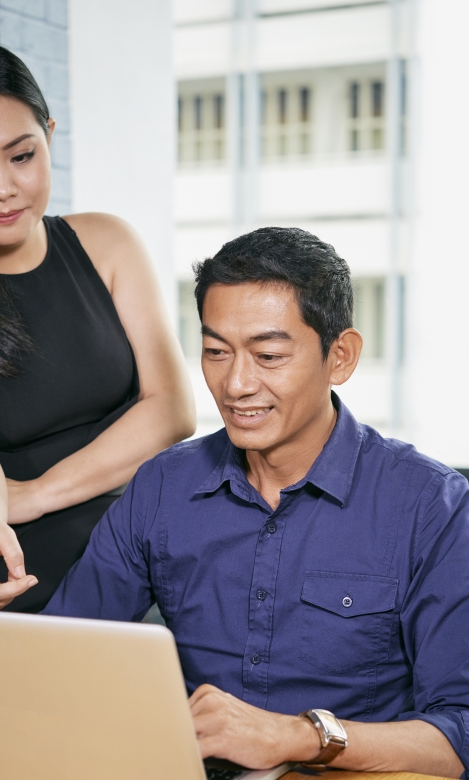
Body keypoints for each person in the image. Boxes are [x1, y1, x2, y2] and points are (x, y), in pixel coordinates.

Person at [36, 228, 468, 777]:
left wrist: (300, 736)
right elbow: (62, 657)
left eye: (268, 355)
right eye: (215, 352)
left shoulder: (431, 505)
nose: (235, 384)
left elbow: (462, 733)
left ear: (340, 357)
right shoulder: (163, 486)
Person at [0, 41, 196, 613]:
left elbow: (172, 409)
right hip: (12, 573)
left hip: (142, 559)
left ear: (49, 136)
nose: (0, 187)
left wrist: (35, 494)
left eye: (21, 156)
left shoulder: (109, 244)